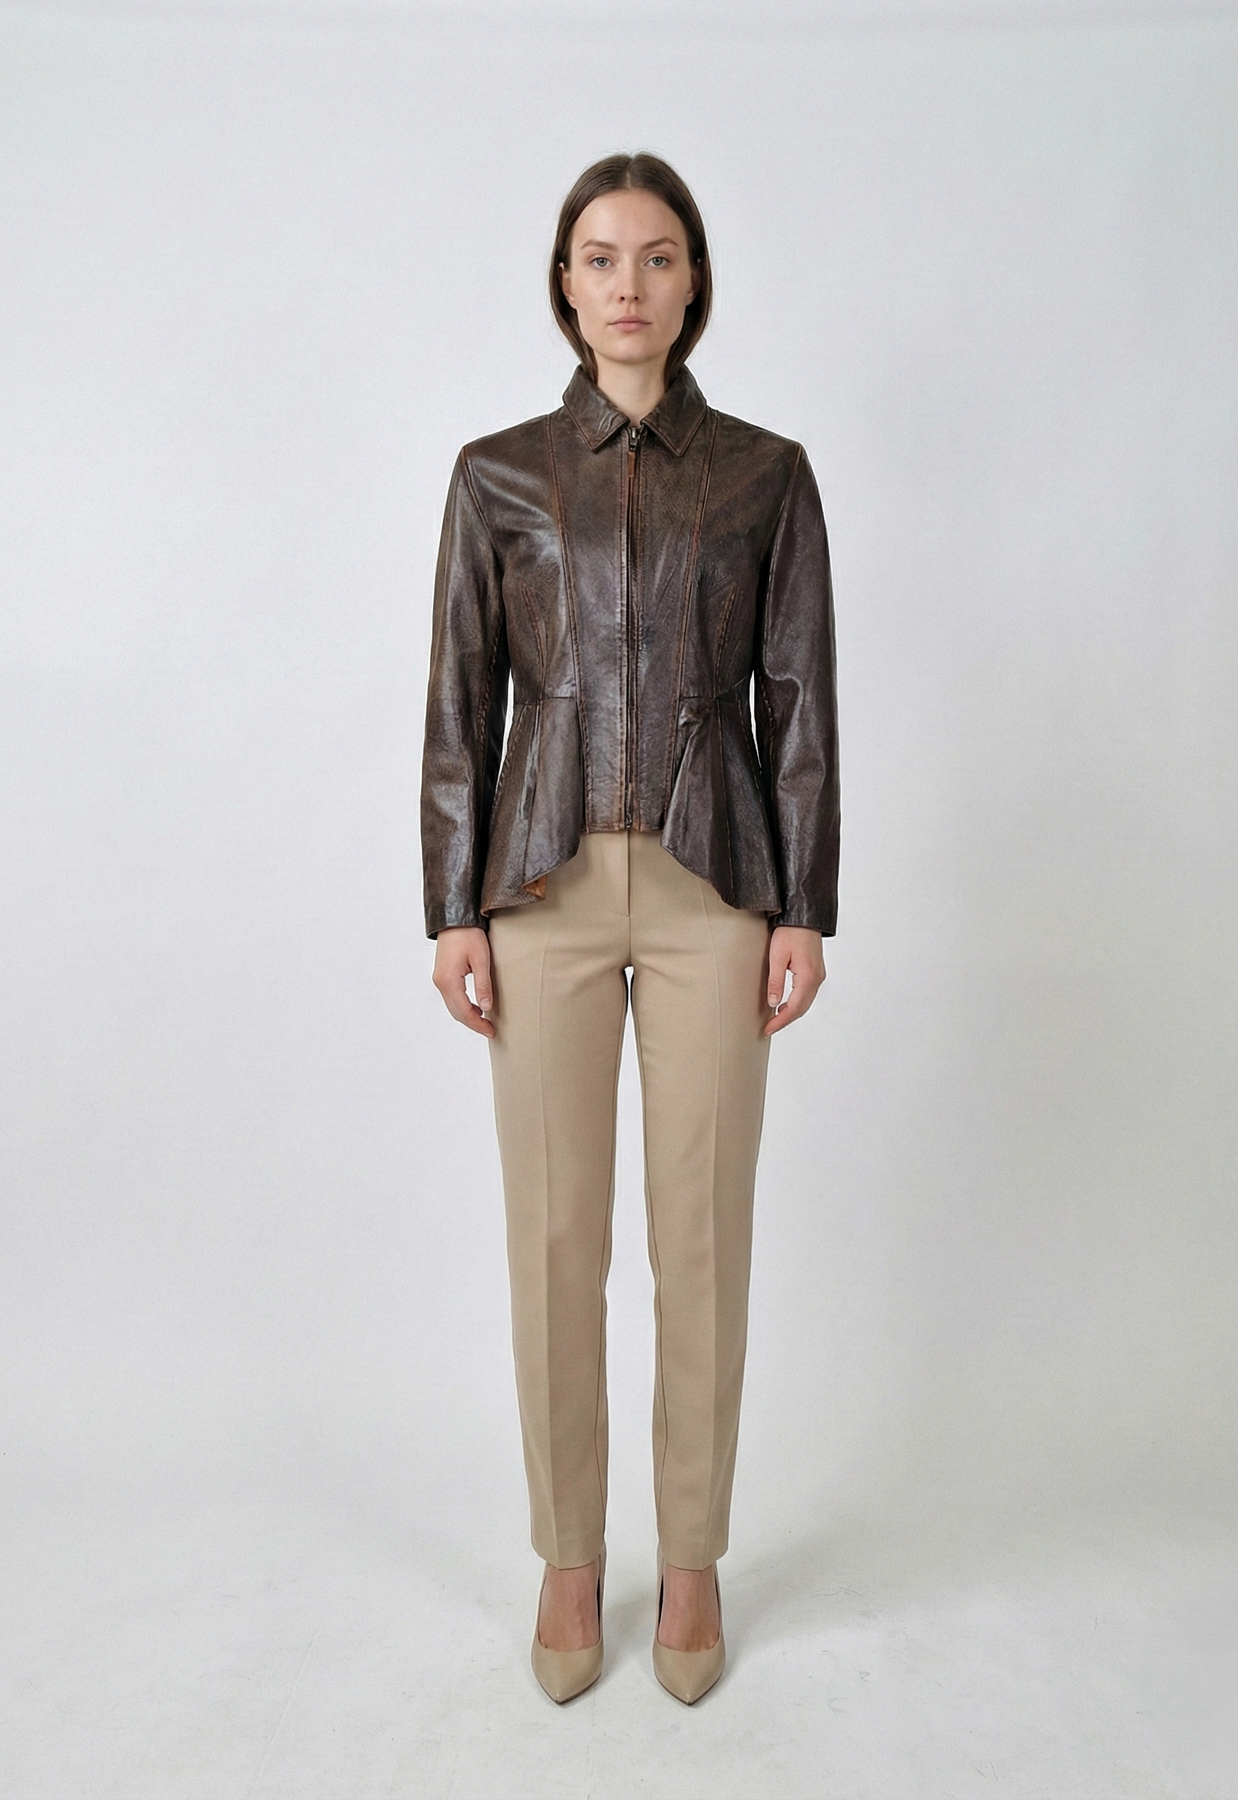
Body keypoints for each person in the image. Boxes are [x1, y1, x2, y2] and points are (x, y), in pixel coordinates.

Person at [421, 152, 839, 1705]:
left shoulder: (765, 474)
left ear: (693, 280)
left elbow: (798, 698)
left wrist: (804, 905)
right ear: (565, 282)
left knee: (701, 1239)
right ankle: (568, 1554)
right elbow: (461, 700)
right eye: (600, 258)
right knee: (555, 1240)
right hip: (534, 891)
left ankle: (695, 1555)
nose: (628, 284)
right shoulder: (498, 475)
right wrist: (452, 907)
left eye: (657, 257)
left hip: (712, 887)